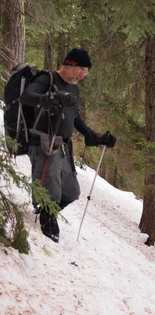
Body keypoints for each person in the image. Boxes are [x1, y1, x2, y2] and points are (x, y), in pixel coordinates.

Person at [20, 48, 116, 242]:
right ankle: (47, 221)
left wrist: (94, 136)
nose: (83, 75)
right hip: (43, 141)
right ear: (70, 64)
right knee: (52, 188)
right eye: (81, 70)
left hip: (63, 144)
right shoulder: (47, 79)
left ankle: (45, 210)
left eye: (86, 72)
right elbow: (26, 97)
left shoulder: (74, 88)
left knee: (72, 192)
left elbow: (75, 117)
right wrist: (50, 99)